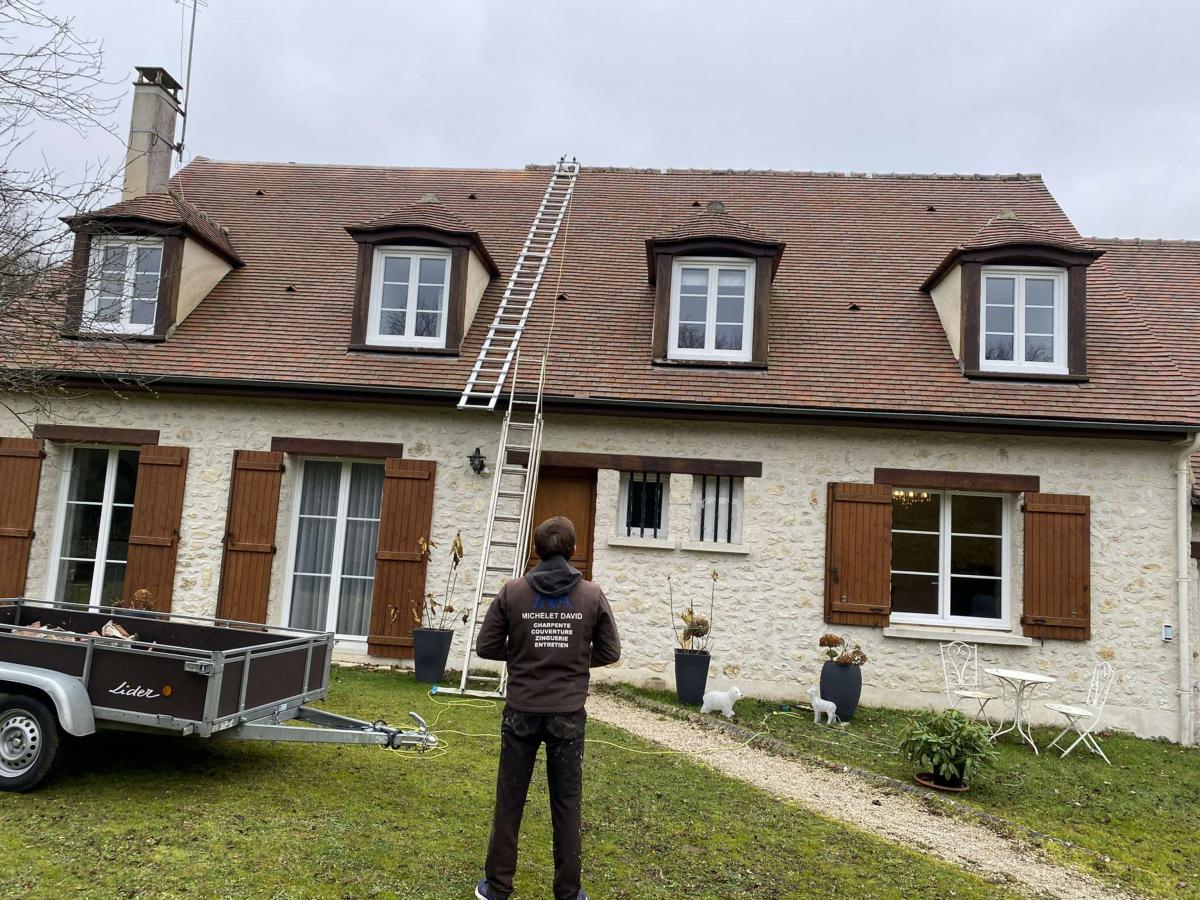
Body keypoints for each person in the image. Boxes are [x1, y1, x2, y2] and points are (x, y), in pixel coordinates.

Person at [474, 515, 621, 900]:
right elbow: (611, 652)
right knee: (567, 803)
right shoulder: (591, 595)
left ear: (536, 550)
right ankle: (569, 893)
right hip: (567, 716)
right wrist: (572, 660)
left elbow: (486, 646)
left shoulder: (512, 592)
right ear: (573, 550)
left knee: (510, 799)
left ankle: (497, 887)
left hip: (521, 712)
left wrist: (525, 656)